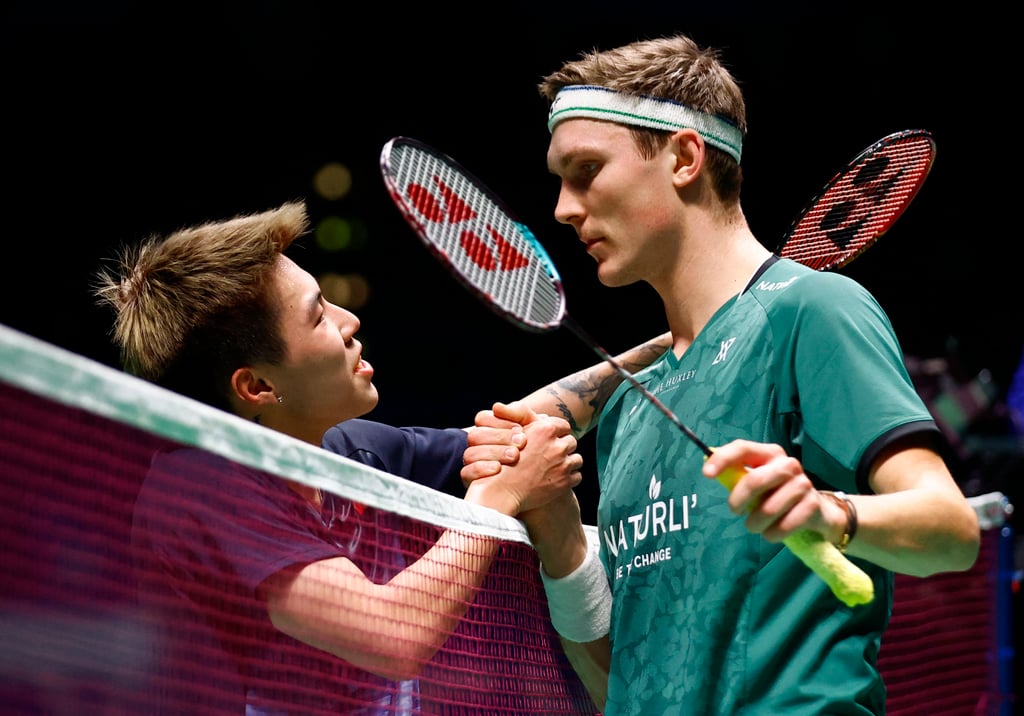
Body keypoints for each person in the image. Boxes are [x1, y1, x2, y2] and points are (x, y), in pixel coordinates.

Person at [462, 33, 981, 715]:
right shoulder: (628, 411)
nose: (562, 207)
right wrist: (559, 532)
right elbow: (626, 682)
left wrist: (831, 511)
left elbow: (951, 531)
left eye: (586, 170)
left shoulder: (812, 312)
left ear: (683, 157)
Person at [93, 200, 670, 714]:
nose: (350, 322)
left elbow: (510, 431)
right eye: (318, 316)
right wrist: (497, 500)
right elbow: (390, 636)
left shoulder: (350, 451)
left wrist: (680, 340)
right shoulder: (198, 485)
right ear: (258, 388)